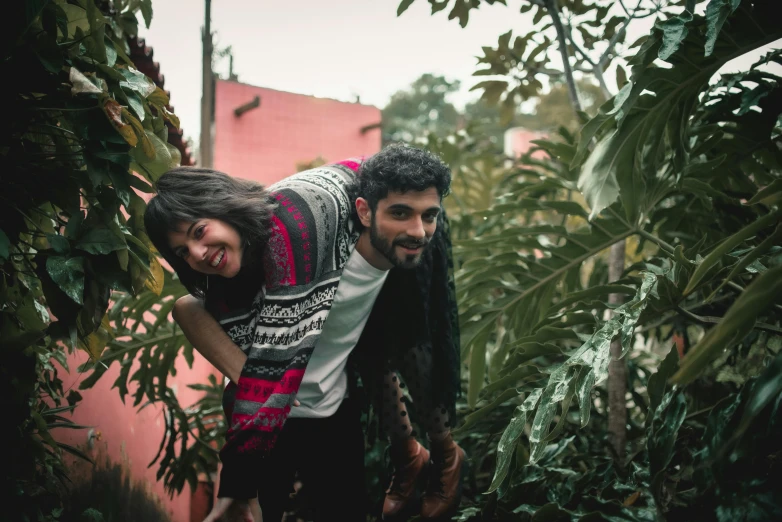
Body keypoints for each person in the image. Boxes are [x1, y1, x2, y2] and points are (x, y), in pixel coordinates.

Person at [144, 144, 464, 521]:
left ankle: (440, 454)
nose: (197, 254)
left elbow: (276, 365)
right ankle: (409, 453)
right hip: (292, 415)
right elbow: (188, 309)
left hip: (388, 202)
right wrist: (246, 374)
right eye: (183, 252)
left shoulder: (295, 231)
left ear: (226, 207)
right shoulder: (235, 272)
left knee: (406, 345)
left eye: (200, 232)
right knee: (369, 347)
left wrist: (237, 485)